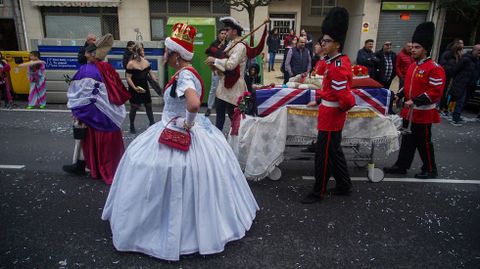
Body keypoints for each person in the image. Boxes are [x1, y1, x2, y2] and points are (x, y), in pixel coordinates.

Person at [101, 23, 258, 261]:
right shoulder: (190, 71)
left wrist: (187, 123)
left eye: (166, 50)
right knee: (195, 174)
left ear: (175, 54)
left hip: (176, 127)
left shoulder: (183, 75)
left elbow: (193, 104)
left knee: (164, 171)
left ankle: (167, 227)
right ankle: (193, 224)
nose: (164, 54)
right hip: (187, 128)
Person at [301, 7, 356, 204]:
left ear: (337, 44)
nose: (322, 43)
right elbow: (331, 90)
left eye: (326, 41)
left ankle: (318, 192)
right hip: (329, 113)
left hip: (332, 117)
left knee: (323, 156)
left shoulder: (337, 67)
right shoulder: (335, 62)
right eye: (322, 40)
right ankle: (344, 184)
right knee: (334, 151)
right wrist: (318, 99)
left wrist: (337, 109)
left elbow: (347, 99)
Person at [62, 34, 131, 185]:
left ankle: (91, 167)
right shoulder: (106, 67)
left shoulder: (87, 70)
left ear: (91, 54)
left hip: (96, 114)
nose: (84, 53)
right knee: (105, 143)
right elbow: (118, 89)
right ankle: (110, 167)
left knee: (90, 139)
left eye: (86, 51)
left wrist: (77, 112)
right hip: (110, 112)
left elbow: (80, 96)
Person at [384, 22, 446, 179]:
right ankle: (401, 166)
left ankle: (430, 169)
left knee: (423, 143)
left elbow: (435, 92)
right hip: (409, 111)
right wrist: (398, 94)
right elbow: (407, 86)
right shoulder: (413, 66)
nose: (413, 49)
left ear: (425, 49)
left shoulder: (435, 67)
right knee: (407, 140)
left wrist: (415, 100)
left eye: (417, 47)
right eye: (412, 47)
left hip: (423, 113)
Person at [206, 17, 248, 131]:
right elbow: (223, 58)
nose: (226, 33)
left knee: (233, 116)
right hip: (224, 84)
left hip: (234, 86)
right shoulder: (231, 44)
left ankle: (237, 141)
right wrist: (214, 65)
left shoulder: (240, 46)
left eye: (228, 30)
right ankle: (218, 140)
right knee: (219, 113)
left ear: (234, 31)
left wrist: (214, 61)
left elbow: (231, 65)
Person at [125, 43, 157, 134]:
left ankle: (152, 123)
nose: (144, 51)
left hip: (144, 86)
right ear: (137, 52)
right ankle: (131, 124)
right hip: (134, 87)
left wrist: (155, 81)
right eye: (142, 50)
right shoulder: (131, 64)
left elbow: (151, 73)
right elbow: (128, 77)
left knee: (148, 105)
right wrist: (134, 88)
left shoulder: (146, 62)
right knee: (134, 107)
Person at [449, 44, 480, 126]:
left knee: (465, 101)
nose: (479, 53)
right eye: (478, 51)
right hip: (462, 84)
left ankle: (457, 116)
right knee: (460, 101)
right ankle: (455, 117)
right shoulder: (466, 59)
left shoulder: (477, 60)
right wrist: (458, 79)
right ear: (474, 50)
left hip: (471, 84)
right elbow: (455, 70)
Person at [204, 28, 227, 117]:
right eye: (222, 33)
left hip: (225, 70)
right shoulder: (214, 44)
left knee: (225, 89)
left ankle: (223, 107)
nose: (224, 35)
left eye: (225, 33)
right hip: (216, 69)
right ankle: (209, 108)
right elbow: (209, 56)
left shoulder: (228, 44)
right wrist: (213, 68)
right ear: (218, 34)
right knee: (213, 89)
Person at [439, 39, 464, 116]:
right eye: (459, 43)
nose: (461, 45)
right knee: (444, 92)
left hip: (454, 77)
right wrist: (450, 69)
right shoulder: (448, 54)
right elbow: (442, 65)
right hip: (447, 76)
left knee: (450, 93)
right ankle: (441, 107)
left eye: (462, 43)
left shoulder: (459, 55)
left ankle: (446, 108)